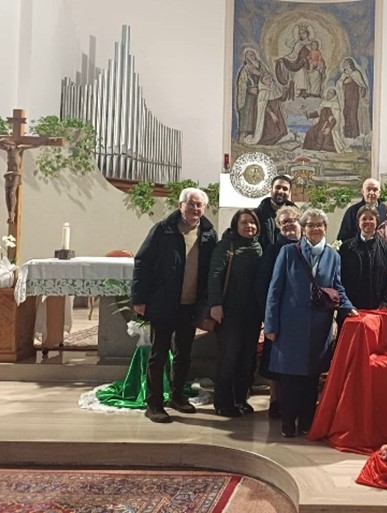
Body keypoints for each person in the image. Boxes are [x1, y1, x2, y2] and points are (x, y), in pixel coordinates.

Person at [264, 208, 358, 438]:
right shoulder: (289, 252)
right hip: (290, 325)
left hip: (319, 326)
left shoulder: (333, 255)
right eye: (310, 225)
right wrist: (271, 325)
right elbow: (275, 289)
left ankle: (307, 421)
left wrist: (349, 308)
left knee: (311, 378)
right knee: (289, 378)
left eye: (319, 225)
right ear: (303, 229)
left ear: (325, 228)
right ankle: (288, 422)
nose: (315, 228)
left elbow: (337, 287)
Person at [131, 187, 217, 423]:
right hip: (164, 301)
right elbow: (143, 261)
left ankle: (177, 397)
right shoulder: (163, 229)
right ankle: (154, 404)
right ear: (181, 205)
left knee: (184, 354)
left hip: (191, 305)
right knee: (158, 354)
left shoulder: (209, 233)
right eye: (191, 204)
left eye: (200, 205)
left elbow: (212, 269)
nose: (195, 209)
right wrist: (139, 298)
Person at [208, 209, 263, 417]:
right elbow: (214, 276)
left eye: (252, 222)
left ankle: (241, 399)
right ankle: (223, 402)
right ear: (235, 225)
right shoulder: (226, 245)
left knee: (247, 358)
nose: (249, 226)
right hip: (229, 311)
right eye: (244, 223)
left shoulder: (258, 246)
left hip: (252, 312)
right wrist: (215, 303)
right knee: (229, 357)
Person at [254, 205, 303, 419]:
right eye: (284, 222)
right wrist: (268, 316)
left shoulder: (309, 246)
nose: (289, 225)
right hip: (279, 315)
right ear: (278, 226)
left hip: (301, 316)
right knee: (273, 359)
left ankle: (296, 400)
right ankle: (275, 399)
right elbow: (262, 285)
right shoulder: (273, 250)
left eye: (292, 220)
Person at [339, 206, 387, 313]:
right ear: (358, 222)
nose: (368, 222)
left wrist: (385, 304)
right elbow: (340, 279)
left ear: (377, 222)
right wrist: (347, 305)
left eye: (371, 219)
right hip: (352, 310)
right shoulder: (346, 247)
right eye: (364, 219)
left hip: (379, 310)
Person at [301, 88, 350, 153]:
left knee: (321, 139)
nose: (328, 94)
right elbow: (319, 113)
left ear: (334, 95)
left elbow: (334, 119)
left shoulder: (335, 104)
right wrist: (308, 114)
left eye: (331, 93)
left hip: (328, 125)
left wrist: (329, 128)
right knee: (310, 133)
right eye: (328, 92)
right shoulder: (324, 102)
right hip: (320, 124)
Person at [254, 174, 296, 250]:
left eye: (285, 189)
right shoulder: (256, 215)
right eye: (278, 187)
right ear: (271, 189)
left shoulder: (296, 217)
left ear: (289, 192)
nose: (280, 191)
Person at [249, 73, 290, 146]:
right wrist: (272, 114)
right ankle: (266, 144)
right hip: (267, 116)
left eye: (270, 78)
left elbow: (282, 98)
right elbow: (263, 106)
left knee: (282, 131)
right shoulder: (263, 92)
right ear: (262, 81)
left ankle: (272, 143)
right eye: (266, 79)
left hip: (276, 112)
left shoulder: (274, 89)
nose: (269, 80)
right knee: (272, 132)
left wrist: (286, 89)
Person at [236, 49, 266, 142]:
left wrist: (261, 87)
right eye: (250, 55)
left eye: (253, 55)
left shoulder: (261, 67)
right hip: (248, 97)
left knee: (256, 115)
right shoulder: (245, 69)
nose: (252, 57)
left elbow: (266, 76)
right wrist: (249, 89)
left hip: (259, 95)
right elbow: (241, 83)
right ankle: (242, 137)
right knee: (246, 115)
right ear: (246, 58)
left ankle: (254, 137)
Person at [335, 57, 370, 139]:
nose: (343, 64)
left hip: (354, 97)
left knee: (352, 114)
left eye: (345, 63)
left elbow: (362, 85)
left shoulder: (356, 74)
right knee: (345, 113)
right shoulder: (344, 75)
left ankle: (354, 134)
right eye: (343, 63)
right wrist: (343, 82)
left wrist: (363, 95)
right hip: (345, 97)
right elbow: (339, 84)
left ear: (349, 64)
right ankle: (347, 134)